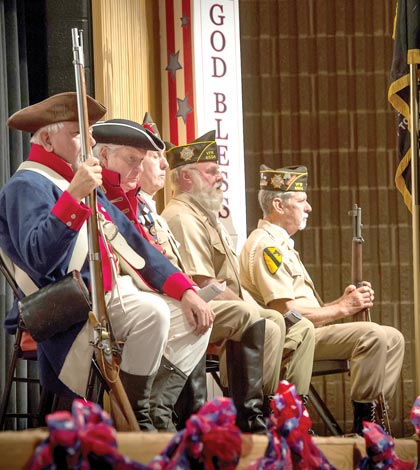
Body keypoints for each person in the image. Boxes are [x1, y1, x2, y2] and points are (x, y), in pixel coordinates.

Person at [0, 93, 213, 432]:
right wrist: (72, 196)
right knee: (153, 313)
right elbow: (39, 258)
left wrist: (185, 289)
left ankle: (141, 410)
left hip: (106, 294)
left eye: (88, 132)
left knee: (192, 318)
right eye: (75, 132)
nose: (87, 141)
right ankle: (133, 419)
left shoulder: (82, 185)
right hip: (66, 303)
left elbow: (134, 243)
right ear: (46, 139)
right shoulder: (27, 185)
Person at [91, 116, 284, 434]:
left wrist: (187, 292)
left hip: (144, 296)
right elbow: (141, 261)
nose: (143, 169)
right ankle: (172, 414)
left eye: (144, 160)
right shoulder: (109, 200)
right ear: (103, 157)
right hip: (111, 300)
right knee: (219, 314)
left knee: (205, 313)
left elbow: (154, 259)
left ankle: (168, 412)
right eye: (134, 160)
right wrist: (188, 292)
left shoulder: (139, 205)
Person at [239, 164, 405, 434]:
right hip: (292, 339)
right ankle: (363, 425)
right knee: (373, 335)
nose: (309, 208)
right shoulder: (267, 246)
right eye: (302, 201)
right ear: (279, 205)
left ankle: (376, 417)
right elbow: (287, 314)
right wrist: (342, 308)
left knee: (393, 338)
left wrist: (341, 302)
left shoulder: (282, 245)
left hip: (311, 332)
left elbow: (301, 309)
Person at [160, 131, 316, 409]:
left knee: (293, 325)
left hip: (219, 310)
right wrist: (256, 311)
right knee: (264, 319)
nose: (219, 177)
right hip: (194, 312)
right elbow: (205, 283)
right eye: (211, 172)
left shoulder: (204, 217)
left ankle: (278, 410)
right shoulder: (182, 217)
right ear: (186, 178)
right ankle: (253, 413)